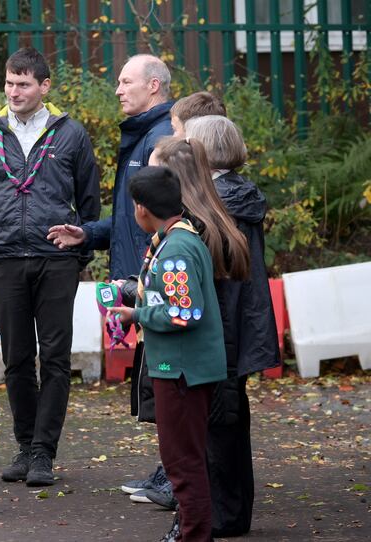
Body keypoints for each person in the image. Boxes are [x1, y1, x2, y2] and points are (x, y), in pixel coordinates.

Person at [0, 47, 100, 486]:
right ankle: (25, 447)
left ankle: (45, 452)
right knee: (17, 359)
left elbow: (89, 200)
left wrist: (77, 253)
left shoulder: (71, 135)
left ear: (44, 87)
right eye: (9, 83)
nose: (14, 91)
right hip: (4, 258)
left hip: (56, 258)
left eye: (24, 84)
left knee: (56, 359)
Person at [109, 166, 227, 542]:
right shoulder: (174, 238)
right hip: (180, 368)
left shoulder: (176, 249)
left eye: (133, 205)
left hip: (180, 371)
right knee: (185, 459)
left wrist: (136, 314)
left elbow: (186, 312)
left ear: (142, 208)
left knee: (182, 463)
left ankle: (193, 535)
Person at [185, 115, 281, 537]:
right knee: (230, 421)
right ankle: (232, 513)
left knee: (219, 424)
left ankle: (224, 516)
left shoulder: (215, 204)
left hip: (222, 327)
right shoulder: (242, 196)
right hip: (241, 322)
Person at [47, 54, 174, 280]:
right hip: (135, 273)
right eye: (119, 83)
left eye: (126, 82)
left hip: (147, 276)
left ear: (153, 85)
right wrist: (88, 233)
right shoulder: (143, 133)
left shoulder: (162, 138)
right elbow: (130, 218)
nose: (118, 91)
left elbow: (162, 219)